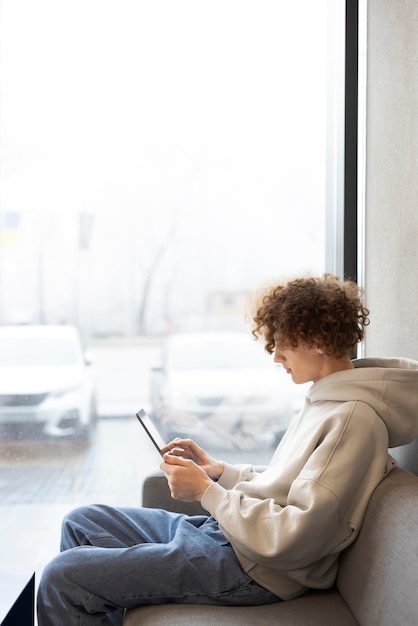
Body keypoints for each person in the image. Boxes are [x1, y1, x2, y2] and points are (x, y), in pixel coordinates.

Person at [37, 274, 418, 625]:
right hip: (231, 539)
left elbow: (294, 535)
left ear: (317, 341)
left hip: (253, 571)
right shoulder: (326, 401)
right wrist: (220, 471)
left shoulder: (352, 421)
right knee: (81, 520)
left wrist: (206, 492)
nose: (276, 356)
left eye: (283, 343)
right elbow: (284, 487)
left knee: (62, 577)